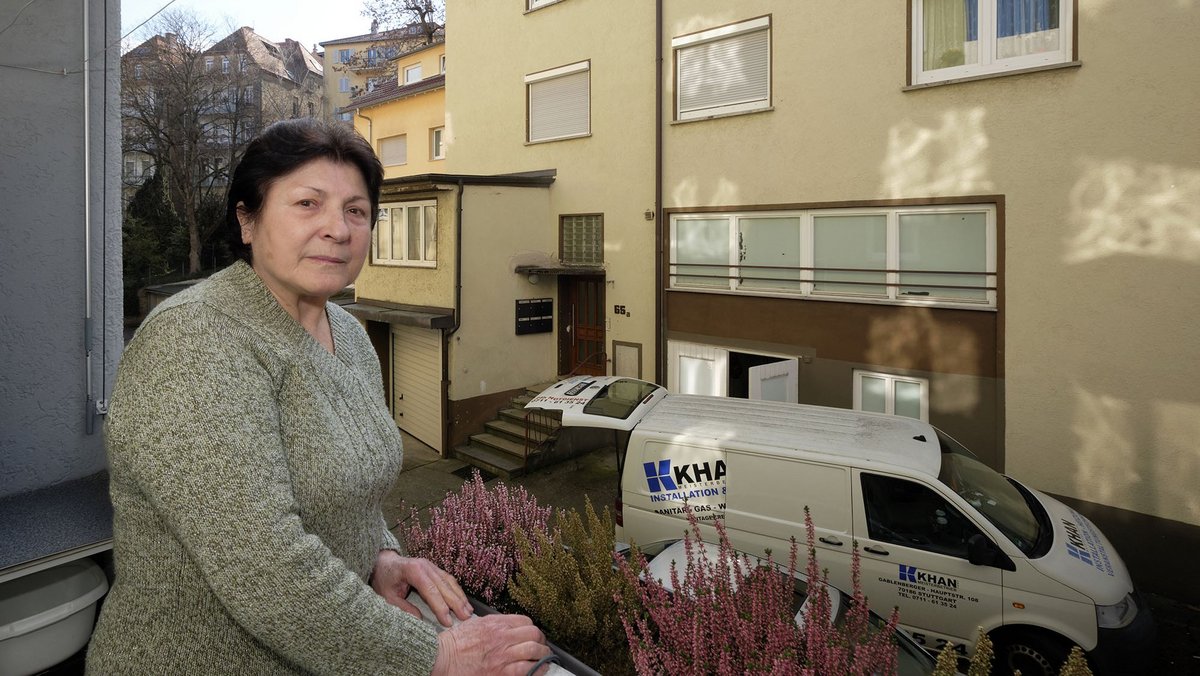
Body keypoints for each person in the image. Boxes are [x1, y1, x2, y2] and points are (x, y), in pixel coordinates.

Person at [87, 118, 551, 675]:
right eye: (308, 204)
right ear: (247, 220)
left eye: (356, 210)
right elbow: (263, 566)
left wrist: (381, 555)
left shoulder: (348, 333)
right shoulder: (195, 338)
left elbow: (351, 487)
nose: (338, 229)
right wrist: (437, 654)